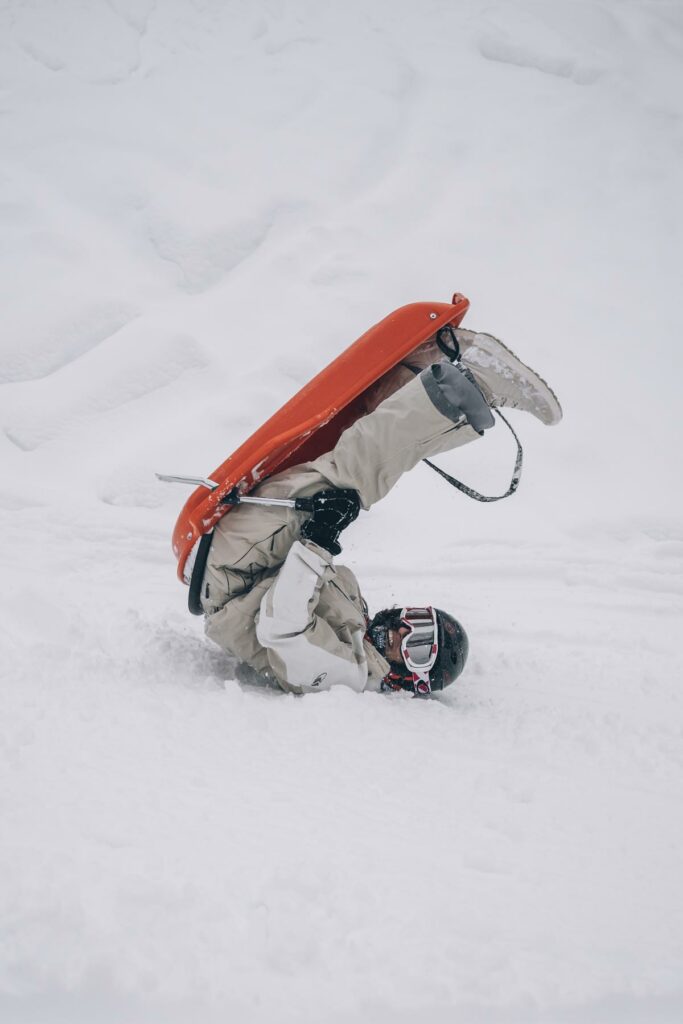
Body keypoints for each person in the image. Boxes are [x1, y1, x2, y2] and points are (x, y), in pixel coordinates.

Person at [198, 328, 561, 696]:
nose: (404, 630)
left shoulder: (352, 675)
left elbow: (282, 630)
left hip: (233, 577)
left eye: (417, 648)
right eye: (418, 621)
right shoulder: (357, 622)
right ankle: (414, 378)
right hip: (247, 566)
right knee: (341, 458)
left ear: (409, 677)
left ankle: (474, 382)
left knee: (352, 476)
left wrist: (317, 540)